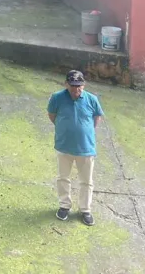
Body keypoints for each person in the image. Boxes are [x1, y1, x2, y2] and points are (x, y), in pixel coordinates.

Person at [47, 70, 104, 226]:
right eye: (72, 85)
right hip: (63, 145)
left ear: (83, 85)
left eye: (79, 86)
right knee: (63, 177)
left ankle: (85, 209)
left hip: (86, 148)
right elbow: (52, 115)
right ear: (66, 84)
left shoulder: (92, 99)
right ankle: (64, 205)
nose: (76, 89)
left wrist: (84, 132)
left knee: (86, 181)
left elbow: (96, 118)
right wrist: (64, 128)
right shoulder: (57, 98)